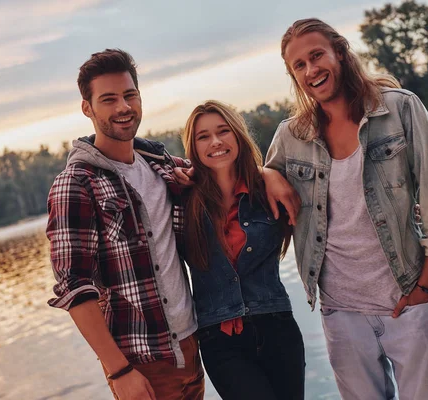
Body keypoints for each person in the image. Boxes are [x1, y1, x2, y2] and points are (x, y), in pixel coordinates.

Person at [263, 18, 428, 400]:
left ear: (340, 51)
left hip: (407, 299)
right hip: (341, 313)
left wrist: (427, 286)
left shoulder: (400, 109)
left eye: (316, 55)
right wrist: (266, 171)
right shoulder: (291, 135)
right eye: (298, 66)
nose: (311, 70)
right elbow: (255, 179)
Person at [46, 49, 204, 400]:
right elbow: (75, 287)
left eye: (130, 95)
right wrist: (118, 370)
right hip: (142, 363)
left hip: (191, 346)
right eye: (109, 99)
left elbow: (217, 170)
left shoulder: (157, 162)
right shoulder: (76, 184)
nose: (123, 107)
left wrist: (267, 176)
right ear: (88, 108)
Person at [180, 100, 305, 400]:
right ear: (193, 147)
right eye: (203, 136)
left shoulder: (268, 191)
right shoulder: (183, 200)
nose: (216, 141)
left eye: (223, 131)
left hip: (277, 326)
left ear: (237, 135)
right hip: (220, 340)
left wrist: (266, 173)